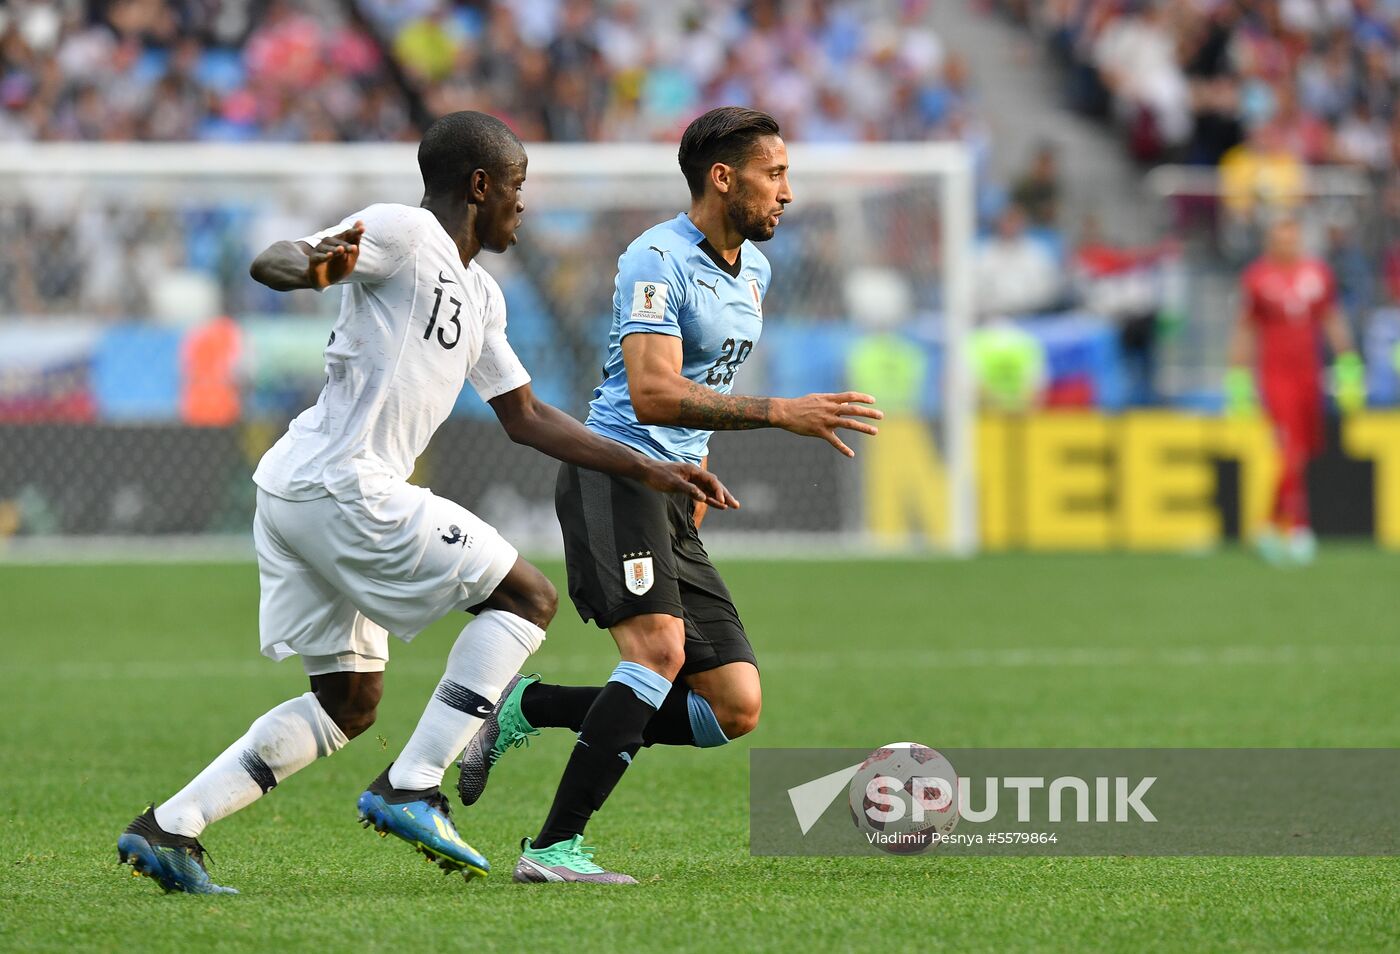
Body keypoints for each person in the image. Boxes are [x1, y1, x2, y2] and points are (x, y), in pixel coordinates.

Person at [115, 111, 735, 895]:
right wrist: (307, 269)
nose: (522, 205)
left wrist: (647, 469)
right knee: (527, 596)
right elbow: (283, 257)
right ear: (480, 186)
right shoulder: (406, 232)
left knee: (348, 702)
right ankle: (411, 785)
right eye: (516, 188)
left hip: (297, 491)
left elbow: (527, 417)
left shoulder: (479, 294)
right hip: (346, 482)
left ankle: (171, 827)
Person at [455, 106, 883, 883]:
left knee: (731, 705)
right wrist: (781, 413)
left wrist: (696, 467)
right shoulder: (655, 257)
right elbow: (652, 393)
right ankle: (553, 850)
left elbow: (703, 384)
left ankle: (529, 707)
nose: (788, 193)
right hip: (615, 468)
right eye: (775, 174)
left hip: (672, 487)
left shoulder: (755, 269)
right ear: (724, 178)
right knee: (658, 654)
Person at [1226, 216, 1362, 565]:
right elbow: (1245, 329)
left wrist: (1348, 365)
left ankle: (1268, 525)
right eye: (1279, 239)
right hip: (1275, 376)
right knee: (1288, 448)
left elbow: (1331, 319)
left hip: (1309, 375)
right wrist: (1238, 379)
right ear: (1271, 242)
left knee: (1301, 452)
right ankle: (1299, 528)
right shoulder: (1256, 278)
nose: (1286, 245)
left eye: (1291, 239)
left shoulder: (1318, 275)